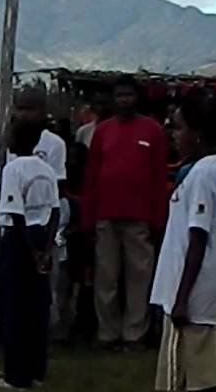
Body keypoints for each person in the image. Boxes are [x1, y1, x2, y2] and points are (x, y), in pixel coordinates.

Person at [150, 95, 216, 392]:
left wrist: (182, 297)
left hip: (190, 291)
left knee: (178, 375)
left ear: (196, 133)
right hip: (202, 289)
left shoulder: (203, 173)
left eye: (179, 127)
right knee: (202, 373)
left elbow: (198, 236)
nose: (174, 135)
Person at [80, 75, 168, 350]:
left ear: (137, 97)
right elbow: (91, 177)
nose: (124, 100)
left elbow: (159, 178)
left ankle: (134, 334)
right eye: (119, 96)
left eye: (128, 95)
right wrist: (88, 218)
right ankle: (107, 333)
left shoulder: (152, 130)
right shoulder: (102, 131)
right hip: (106, 215)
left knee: (139, 278)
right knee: (106, 279)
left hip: (140, 218)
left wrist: (158, 219)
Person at [0, 119, 60, 390]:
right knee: (36, 308)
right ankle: (36, 370)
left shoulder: (13, 169)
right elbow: (55, 211)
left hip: (20, 239)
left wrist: (33, 252)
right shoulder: (47, 169)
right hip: (42, 234)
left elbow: (16, 213)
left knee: (14, 309)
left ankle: (16, 376)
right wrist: (46, 249)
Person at [14, 88, 68, 191]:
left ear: (43, 112)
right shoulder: (3, 140)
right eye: (20, 109)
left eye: (30, 109)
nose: (24, 114)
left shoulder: (55, 143)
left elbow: (57, 181)